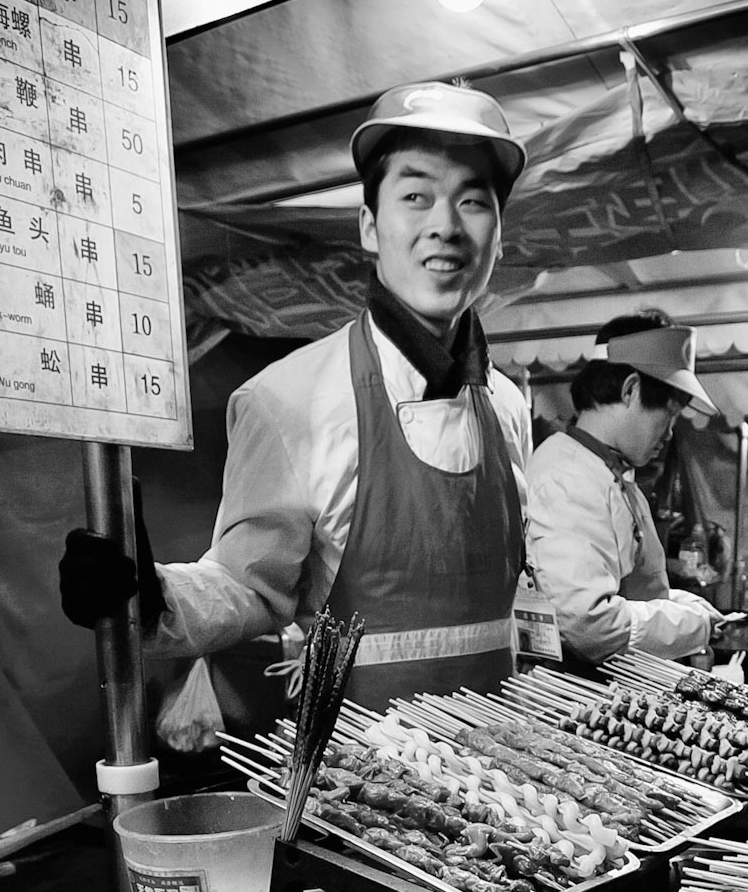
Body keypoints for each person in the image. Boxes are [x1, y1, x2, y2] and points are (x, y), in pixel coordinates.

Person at [59, 82, 530, 715]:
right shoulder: (287, 399)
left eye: (473, 201)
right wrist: (151, 594)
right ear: (369, 226)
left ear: (499, 237)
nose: (444, 226)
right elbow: (248, 586)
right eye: (415, 197)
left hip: (512, 782)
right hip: (359, 786)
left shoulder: (506, 407)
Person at [523, 314, 722, 667]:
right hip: (581, 698)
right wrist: (692, 624)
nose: (670, 434)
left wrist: (681, 604)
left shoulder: (608, 472)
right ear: (630, 390)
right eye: (668, 415)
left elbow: (621, 588)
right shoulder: (567, 476)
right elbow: (590, 623)